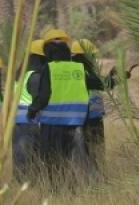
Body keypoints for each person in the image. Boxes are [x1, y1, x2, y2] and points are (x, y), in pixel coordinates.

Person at [26, 30, 90, 186]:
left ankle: (56, 188)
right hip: (76, 122)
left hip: (53, 123)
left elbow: (44, 94)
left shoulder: (49, 68)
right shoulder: (79, 68)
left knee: (52, 158)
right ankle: (73, 187)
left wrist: (32, 109)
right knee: (72, 157)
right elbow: (98, 83)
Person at [70, 39, 127, 167]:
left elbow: (98, 83)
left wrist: (111, 76)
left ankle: (96, 170)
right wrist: (119, 79)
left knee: (95, 147)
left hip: (92, 114)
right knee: (93, 146)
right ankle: (93, 173)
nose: (94, 57)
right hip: (88, 115)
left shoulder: (82, 69)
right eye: (91, 54)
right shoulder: (81, 71)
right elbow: (103, 84)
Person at [12, 39, 48, 184]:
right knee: (32, 159)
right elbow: (38, 101)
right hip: (31, 121)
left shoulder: (19, 75)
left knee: (20, 158)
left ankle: (20, 185)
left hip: (17, 122)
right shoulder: (36, 76)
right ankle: (31, 187)